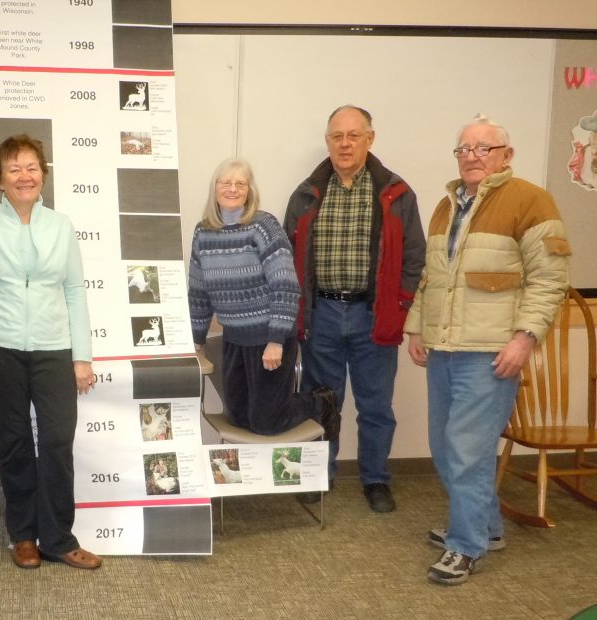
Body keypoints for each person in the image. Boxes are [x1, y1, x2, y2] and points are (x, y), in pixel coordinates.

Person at [405, 115, 570, 585]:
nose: (472, 157)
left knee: (468, 451)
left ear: (506, 155)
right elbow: (430, 277)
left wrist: (525, 338)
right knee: (444, 445)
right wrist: (418, 328)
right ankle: (487, 527)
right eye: (464, 149)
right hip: (445, 347)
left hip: (490, 352)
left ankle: (465, 545)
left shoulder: (532, 202)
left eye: (483, 148)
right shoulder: (446, 205)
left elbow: (549, 279)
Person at [284, 105, 425, 513]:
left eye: (353, 135)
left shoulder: (396, 193)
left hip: (372, 315)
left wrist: (400, 307)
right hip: (321, 313)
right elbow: (288, 256)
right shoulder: (306, 192)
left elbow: (414, 257)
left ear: (370, 139)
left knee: (376, 405)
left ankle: (376, 479)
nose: (344, 144)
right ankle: (318, 474)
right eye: (336, 137)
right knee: (321, 402)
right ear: (327, 141)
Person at [0, 134, 101, 570]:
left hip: (54, 349)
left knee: (58, 442)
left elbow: (76, 290)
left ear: (43, 174)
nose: (24, 176)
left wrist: (80, 357)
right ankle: (23, 535)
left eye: (32, 167)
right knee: (14, 444)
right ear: (0, 180)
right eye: (14, 169)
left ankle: (59, 538)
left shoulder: (60, 225)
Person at [190, 158, 341, 443]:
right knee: (239, 417)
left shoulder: (263, 225)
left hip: (268, 339)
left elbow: (286, 285)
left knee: (267, 424)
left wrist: (276, 340)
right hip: (233, 338)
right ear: (215, 188)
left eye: (240, 184)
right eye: (226, 182)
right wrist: (196, 341)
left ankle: (320, 402)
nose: (232, 189)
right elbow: (198, 290)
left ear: (250, 190)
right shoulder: (203, 231)